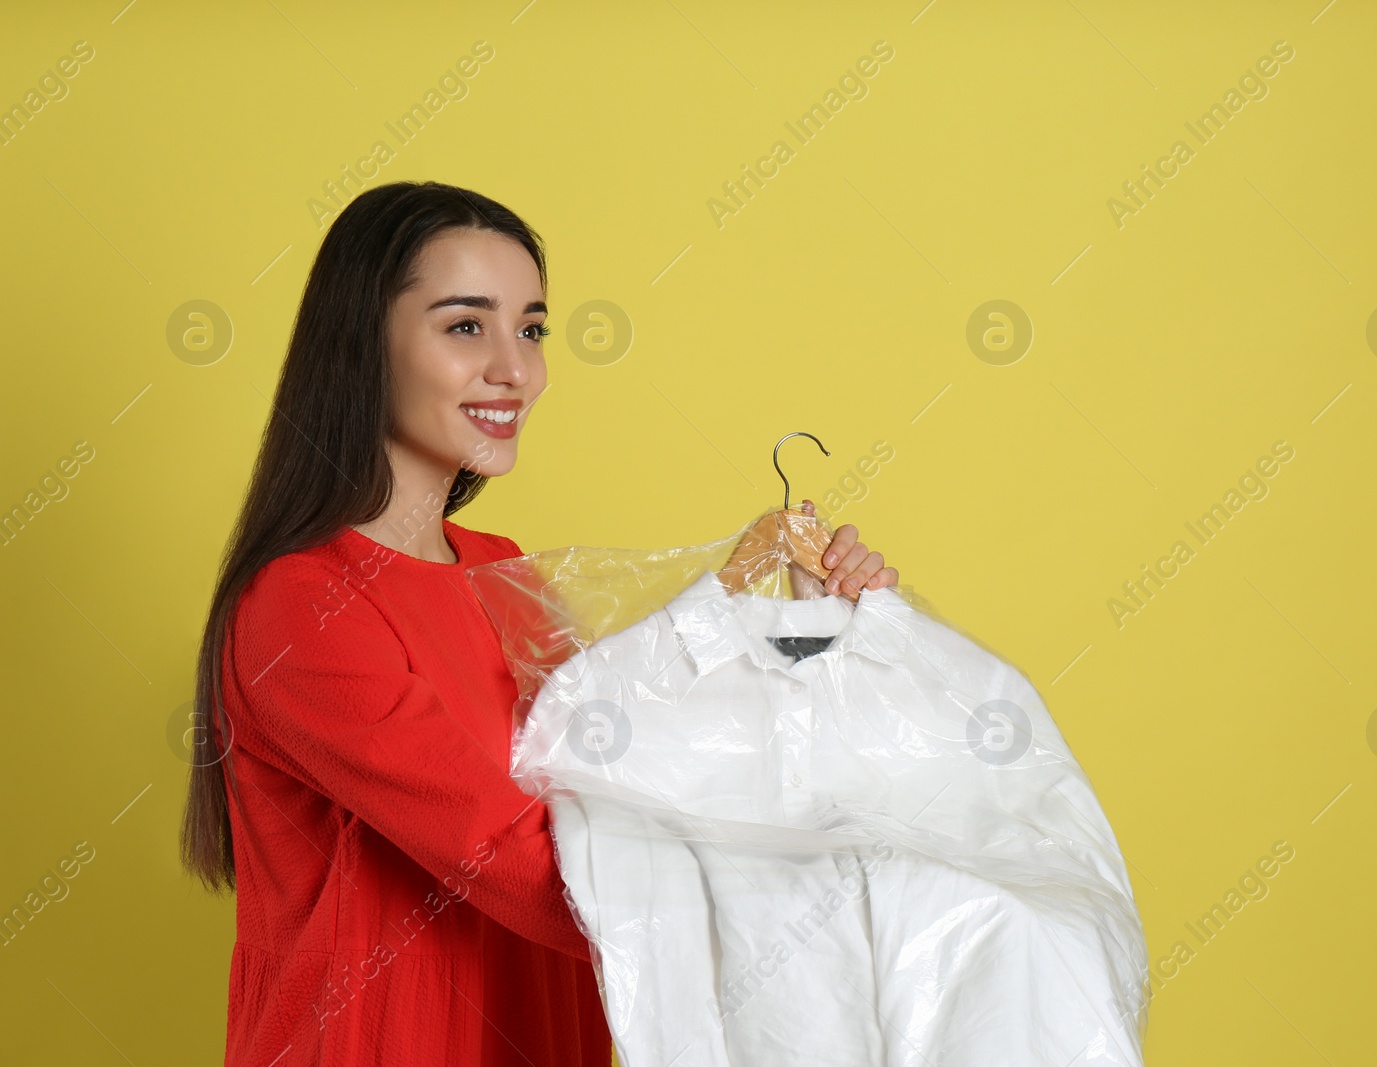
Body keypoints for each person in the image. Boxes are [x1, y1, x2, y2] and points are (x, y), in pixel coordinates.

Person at [179, 180, 900, 1067]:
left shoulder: (496, 566)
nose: (515, 369)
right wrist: (824, 911)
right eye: (465, 325)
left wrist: (807, 634)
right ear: (360, 344)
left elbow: (628, 761)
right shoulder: (303, 605)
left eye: (530, 328)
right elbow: (527, 864)